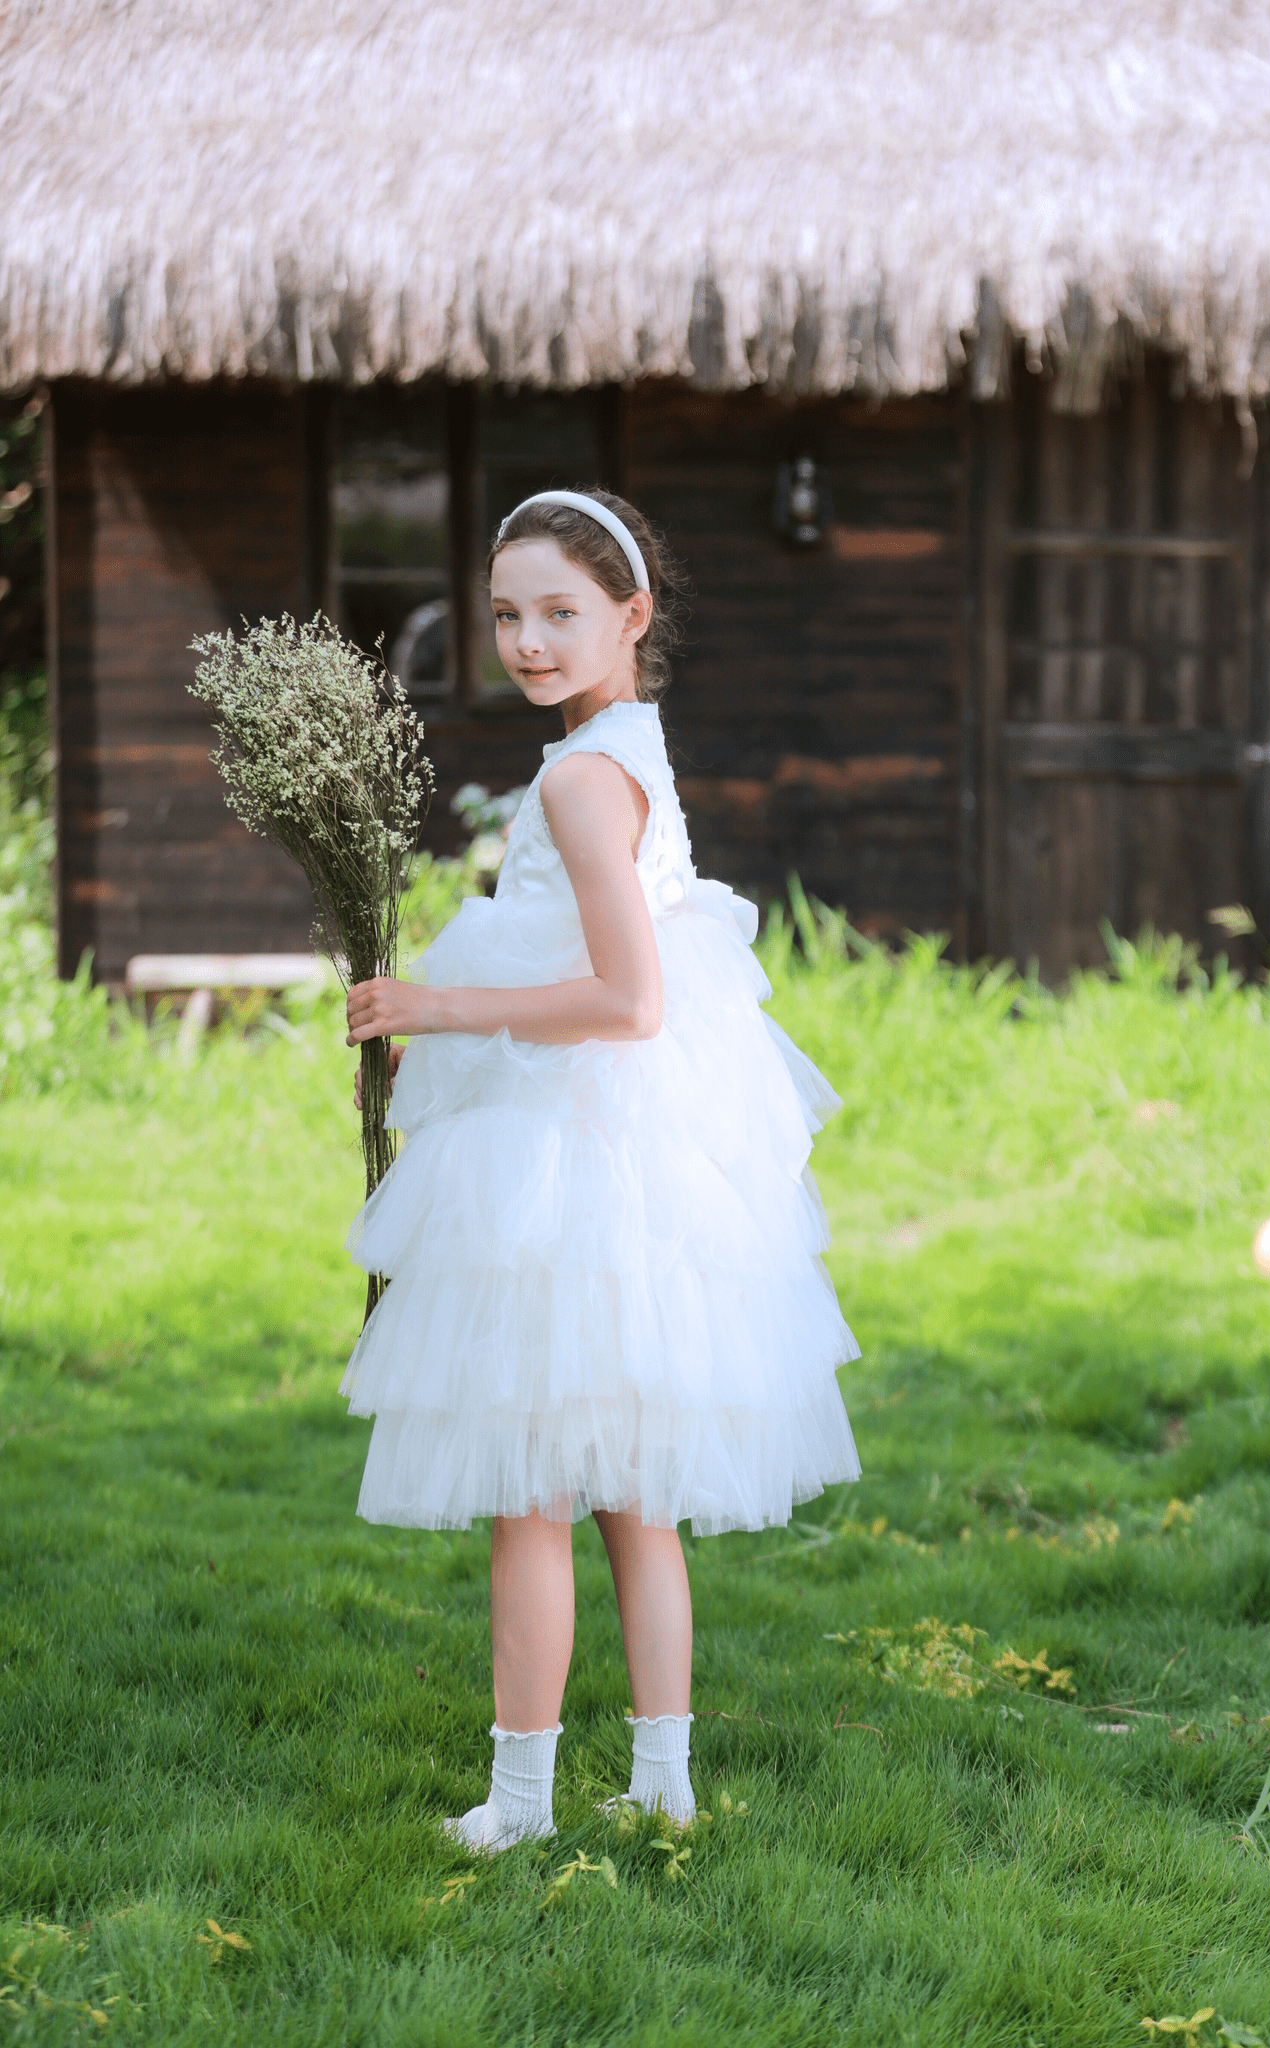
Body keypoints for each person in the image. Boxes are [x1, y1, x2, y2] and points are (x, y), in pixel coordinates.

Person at [341, 487, 860, 1852]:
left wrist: (427, 1010)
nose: (527, 640)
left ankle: (521, 1804)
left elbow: (628, 997)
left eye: (560, 613)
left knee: (533, 1493)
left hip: (573, 1164)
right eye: (508, 614)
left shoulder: (580, 776)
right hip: (633, 1154)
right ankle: (664, 1790)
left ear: (631, 616)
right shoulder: (628, 744)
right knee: (636, 1498)